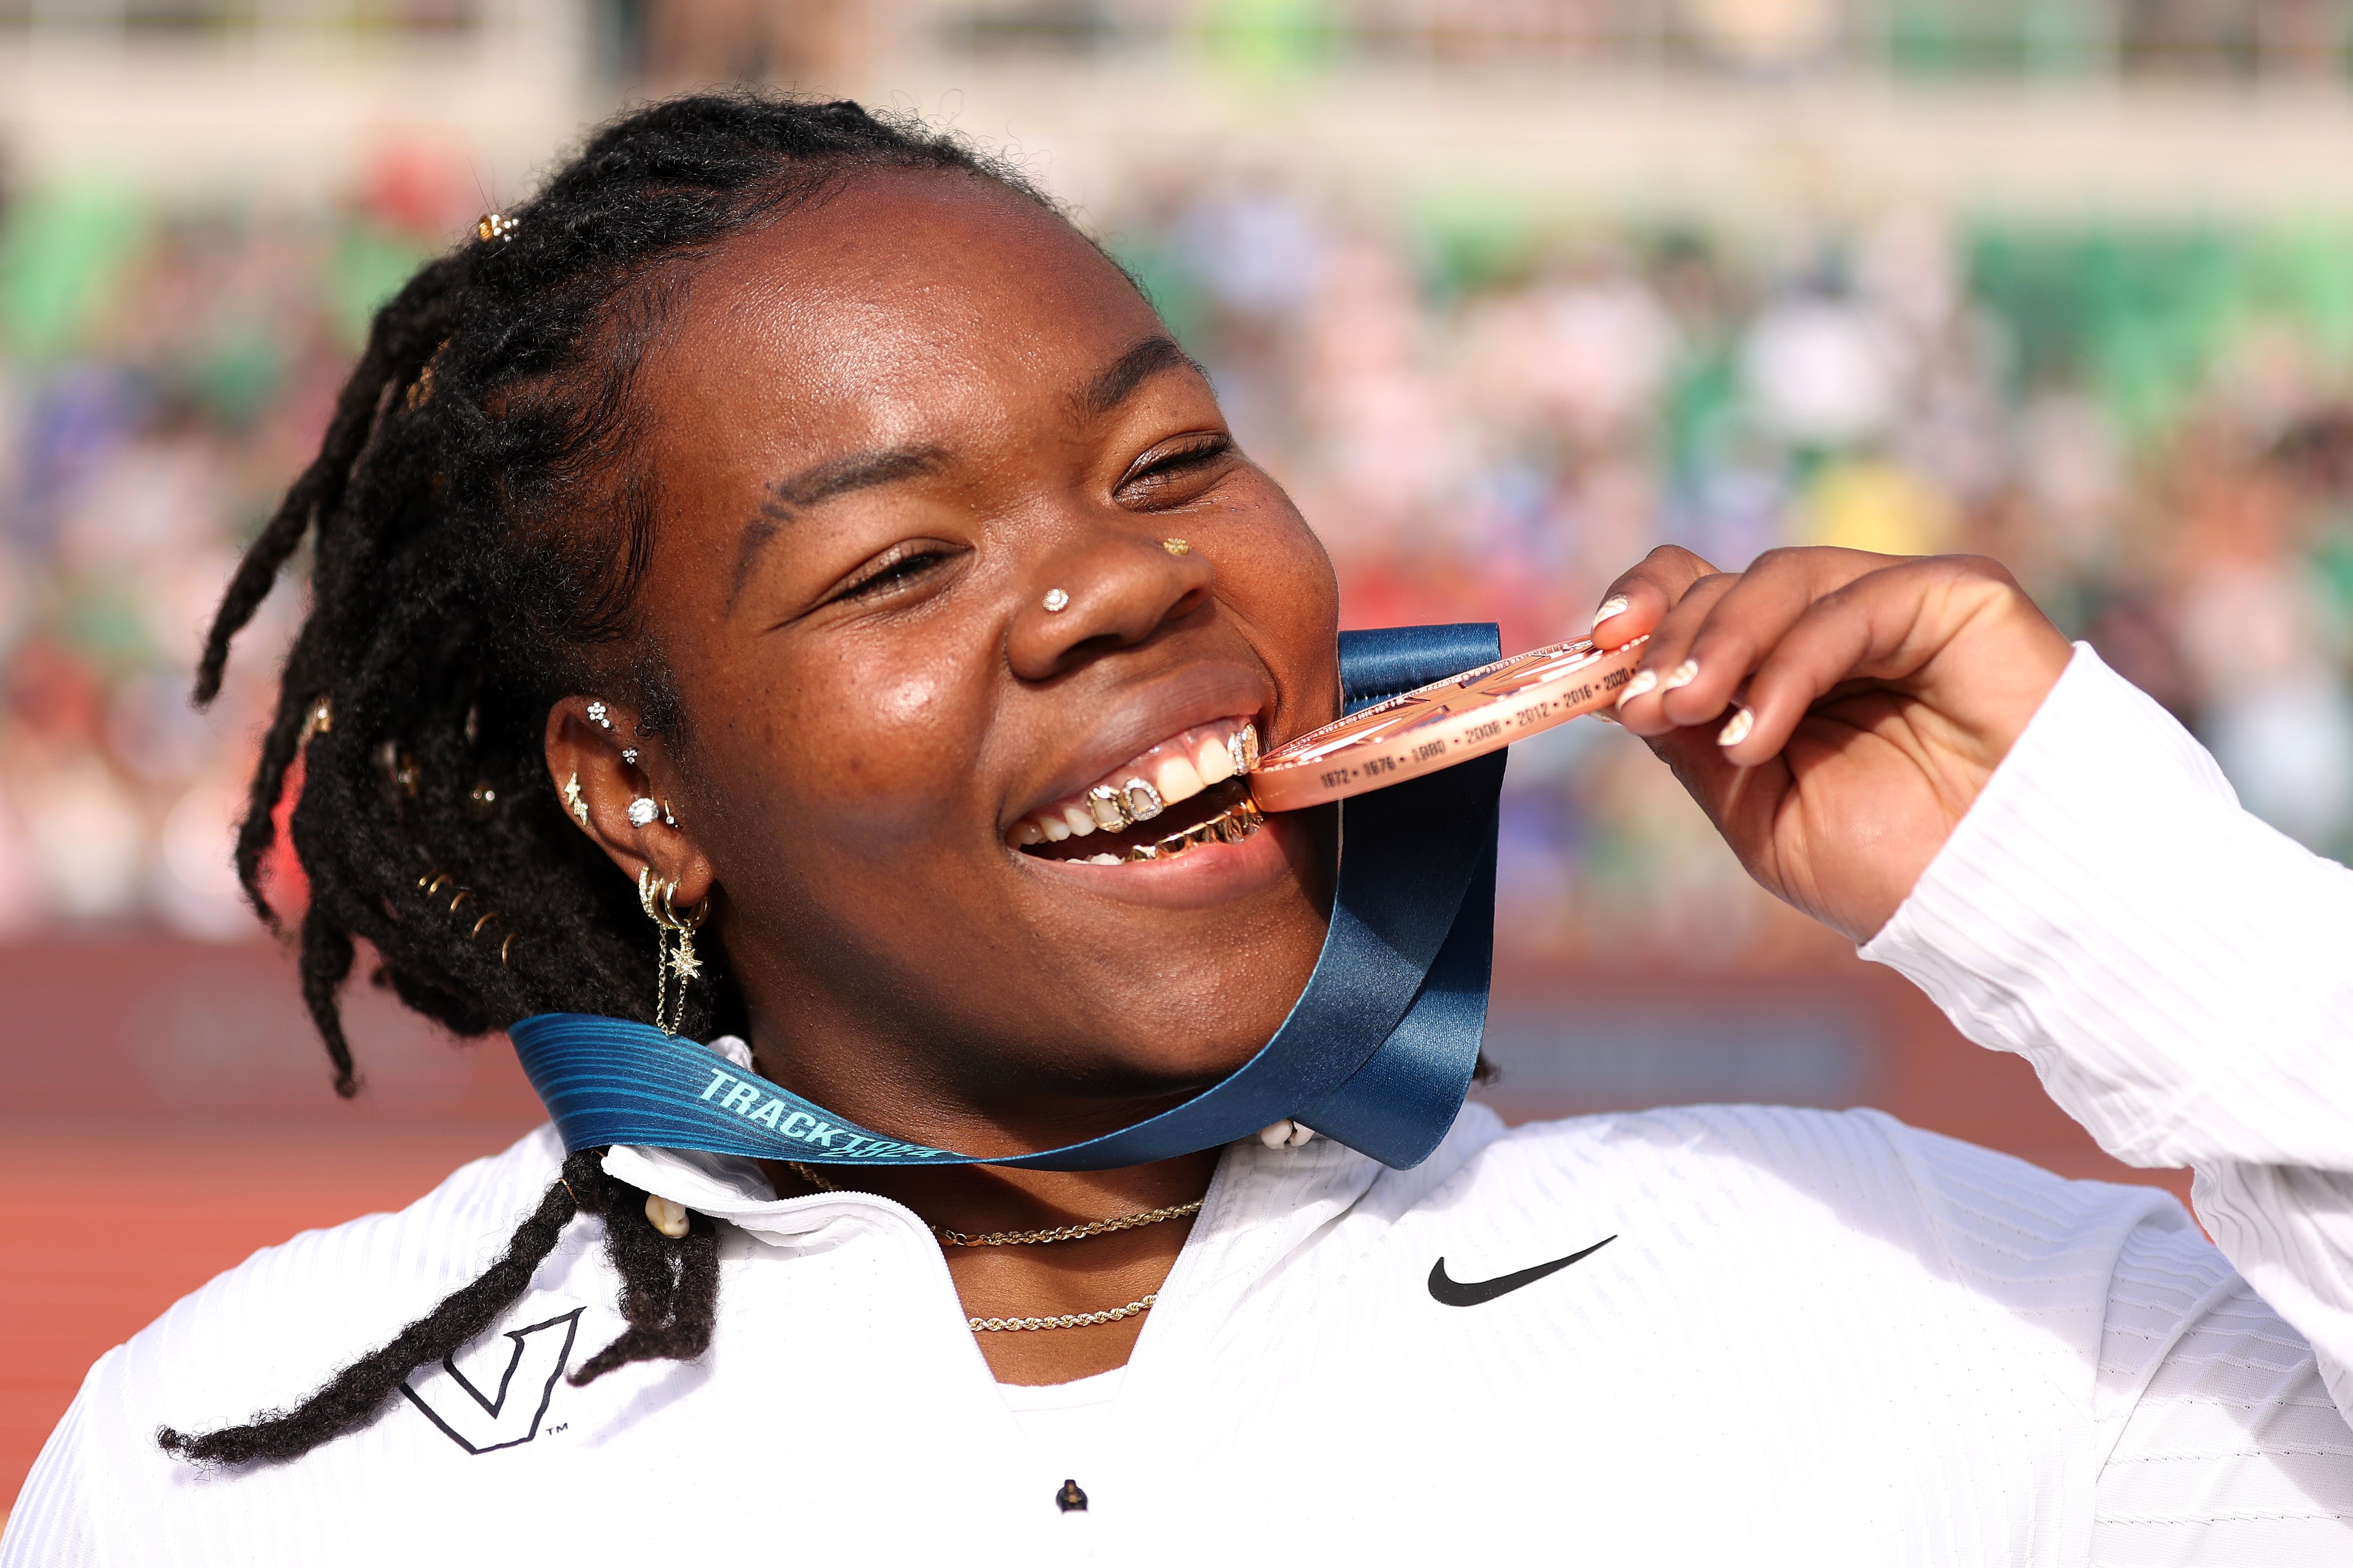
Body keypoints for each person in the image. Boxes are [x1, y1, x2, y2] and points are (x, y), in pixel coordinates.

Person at [5, 90, 2351, 1563]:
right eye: (898, 564)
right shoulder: (249, 1463)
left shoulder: (1895, 1306)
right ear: (640, 786)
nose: (1125, 577)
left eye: (1170, 461)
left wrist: (2094, 886)